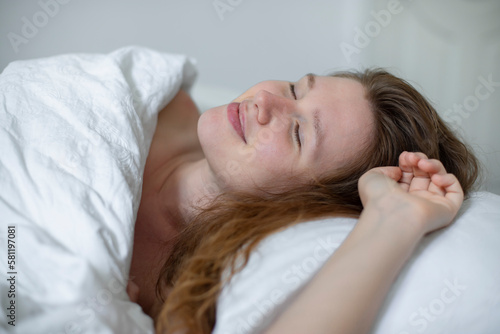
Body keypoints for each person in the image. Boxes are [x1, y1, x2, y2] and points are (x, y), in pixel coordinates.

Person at [128, 69, 480, 334]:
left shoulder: (188, 301)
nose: (265, 101)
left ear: (304, 202)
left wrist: (395, 217)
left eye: (297, 133)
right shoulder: (153, 101)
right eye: (295, 89)